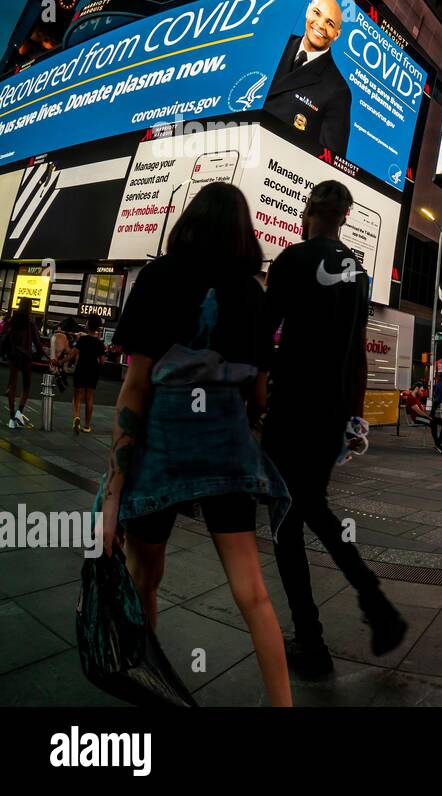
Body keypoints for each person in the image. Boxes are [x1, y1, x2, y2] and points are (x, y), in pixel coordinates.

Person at [96, 183, 292, 707]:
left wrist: (112, 496)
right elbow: (258, 392)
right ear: (242, 232)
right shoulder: (254, 293)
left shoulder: (158, 277)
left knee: (143, 578)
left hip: (162, 446)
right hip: (227, 447)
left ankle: (154, 693)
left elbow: (135, 388)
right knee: (252, 592)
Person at [261, 180, 406, 679]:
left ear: (307, 213)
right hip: (330, 412)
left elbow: (263, 334)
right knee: (310, 506)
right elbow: (359, 349)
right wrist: (354, 412)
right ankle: (373, 603)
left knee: (287, 518)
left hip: (290, 407)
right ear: (345, 216)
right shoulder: (359, 273)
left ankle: (313, 641)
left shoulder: (291, 260)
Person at [264, 0, 352, 156]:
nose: (319, 24)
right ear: (308, 11)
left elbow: (329, 159)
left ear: (336, 35)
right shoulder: (275, 43)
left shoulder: (339, 91)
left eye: (330, 23)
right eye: (317, 13)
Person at [2, 297, 43, 429]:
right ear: (30, 307)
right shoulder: (30, 323)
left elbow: (4, 338)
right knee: (26, 386)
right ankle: (20, 412)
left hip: (13, 356)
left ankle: (11, 418)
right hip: (25, 357)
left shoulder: (12, 321)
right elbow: (37, 342)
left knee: (12, 386)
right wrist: (40, 354)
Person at [70, 315, 106, 433]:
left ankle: (76, 417)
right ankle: (87, 426)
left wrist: (60, 362)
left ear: (88, 324)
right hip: (93, 370)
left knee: (77, 396)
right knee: (89, 397)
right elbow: (102, 361)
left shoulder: (82, 340)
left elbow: (72, 354)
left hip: (81, 368)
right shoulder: (99, 343)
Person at [49, 317, 80, 392]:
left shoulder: (62, 327)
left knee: (55, 356)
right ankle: (65, 371)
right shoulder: (75, 329)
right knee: (75, 350)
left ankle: (58, 374)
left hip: (63, 336)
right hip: (69, 344)